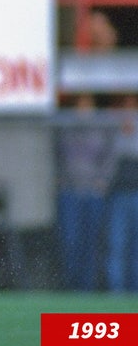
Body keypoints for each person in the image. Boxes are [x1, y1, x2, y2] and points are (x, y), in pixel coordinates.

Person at [54, 93, 112, 291]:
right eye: (79, 105)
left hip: (92, 193)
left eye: (87, 105)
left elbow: (110, 156)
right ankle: (70, 287)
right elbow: (55, 155)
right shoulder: (65, 127)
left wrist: (102, 180)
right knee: (70, 241)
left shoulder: (101, 128)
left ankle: (87, 289)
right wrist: (59, 178)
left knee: (91, 243)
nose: (83, 110)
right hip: (70, 191)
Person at [105, 94, 138, 292]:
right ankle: (115, 293)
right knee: (116, 246)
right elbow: (111, 155)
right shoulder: (112, 130)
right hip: (118, 195)